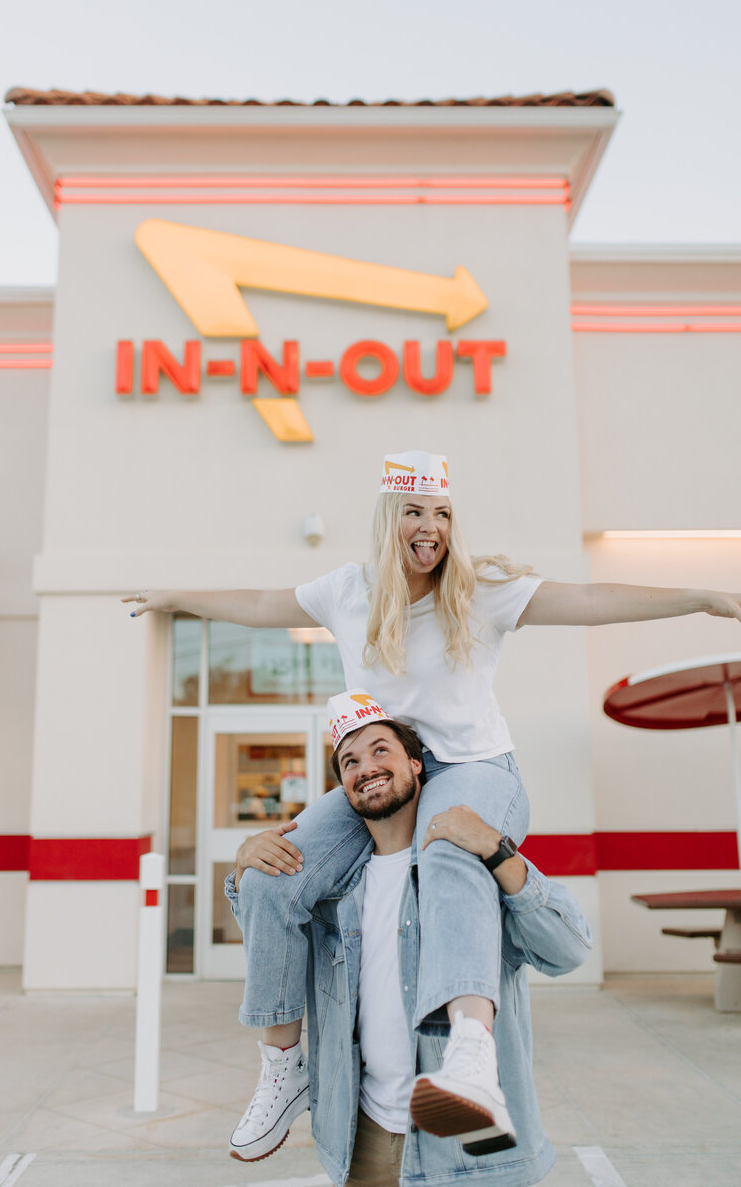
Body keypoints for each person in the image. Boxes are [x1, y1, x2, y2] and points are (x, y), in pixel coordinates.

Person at [124, 449, 741, 1161]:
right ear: (391, 518)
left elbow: (593, 601)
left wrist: (702, 597)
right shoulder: (347, 591)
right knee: (270, 875)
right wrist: (175, 596)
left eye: (443, 514)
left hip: (474, 768)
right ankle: (281, 1062)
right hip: (391, 767)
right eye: (416, 512)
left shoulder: (481, 590)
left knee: (446, 851)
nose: (431, 529)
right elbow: (262, 606)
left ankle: (470, 1056)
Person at [227, 694, 593, 1186]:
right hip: (363, 1139)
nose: (366, 768)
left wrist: (497, 851)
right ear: (343, 789)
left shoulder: (470, 874)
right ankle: (281, 1070)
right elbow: (271, 945)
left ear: (417, 765)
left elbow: (568, 950)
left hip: (471, 1155)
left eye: (381, 751)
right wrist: (247, 868)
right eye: (350, 761)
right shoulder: (334, 897)